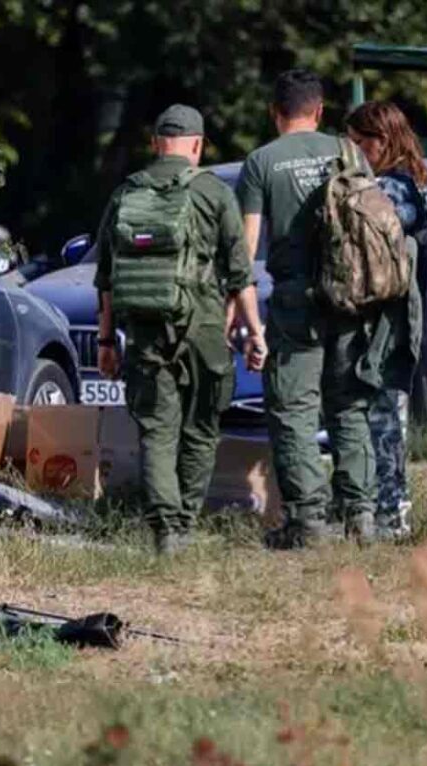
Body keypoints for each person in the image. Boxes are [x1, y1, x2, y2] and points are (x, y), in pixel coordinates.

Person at [95, 104, 266, 555]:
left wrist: (106, 341)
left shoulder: (126, 193)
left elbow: (106, 282)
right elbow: (239, 275)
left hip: (147, 333)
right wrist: (256, 333)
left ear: (156, 144)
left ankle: (164, 530)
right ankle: (185, 522)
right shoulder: (214, 193)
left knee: (156, 430)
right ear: (197, 145)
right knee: (201, 428)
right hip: (205, 330)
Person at [236, 69, 377, 548]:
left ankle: (308, 523)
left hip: (298, 301)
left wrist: (244, 318)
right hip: (354, 297)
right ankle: (361, 518)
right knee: (349, 405)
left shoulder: (261, 163)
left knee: (294, 410)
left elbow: (247, 249)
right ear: (319, 112)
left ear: (275, 114)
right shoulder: (350, 153)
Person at [345, 100, 427, 540]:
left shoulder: (395, 190)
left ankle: (391, 514)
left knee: (384, 420)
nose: (354, 150)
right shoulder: (401, 183)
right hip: (384, 320)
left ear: (382, 140)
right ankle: (380, 510)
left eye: (360, 142)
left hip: (387, 323)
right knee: (379, 416)